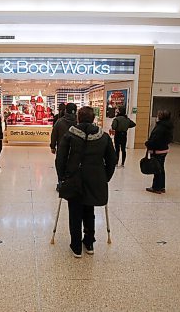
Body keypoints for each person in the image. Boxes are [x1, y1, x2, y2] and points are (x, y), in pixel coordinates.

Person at [56, 106, 116, 258]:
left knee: (75, 212)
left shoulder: (70, 134)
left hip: (74, 178)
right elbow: (111, 160)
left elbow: (60, 158)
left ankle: (76, 246)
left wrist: (62, 177)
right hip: (95, 178)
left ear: (78, 118)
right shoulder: (103, 136)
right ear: (93, 118)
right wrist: (104, 177)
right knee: (89, 210)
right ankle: (89, 242)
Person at [144, 110, 174, 194]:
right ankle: (162, 186)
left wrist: (147, 143)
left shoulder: (160, 127)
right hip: (164, 149)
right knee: (161, 168)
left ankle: (156, 187)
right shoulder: (168, 126)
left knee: (156, 169)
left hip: (157, 150)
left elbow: (155, 139)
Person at [51, 103, 78, 190]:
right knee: (74, 164)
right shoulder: (78, 121)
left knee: (60, 164)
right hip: (76, 148)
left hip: (62, 147)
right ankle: (72, 182)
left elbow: (54, 134)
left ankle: (61, 182)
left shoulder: (60, 121)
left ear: (66, 110)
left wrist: (52, 146)